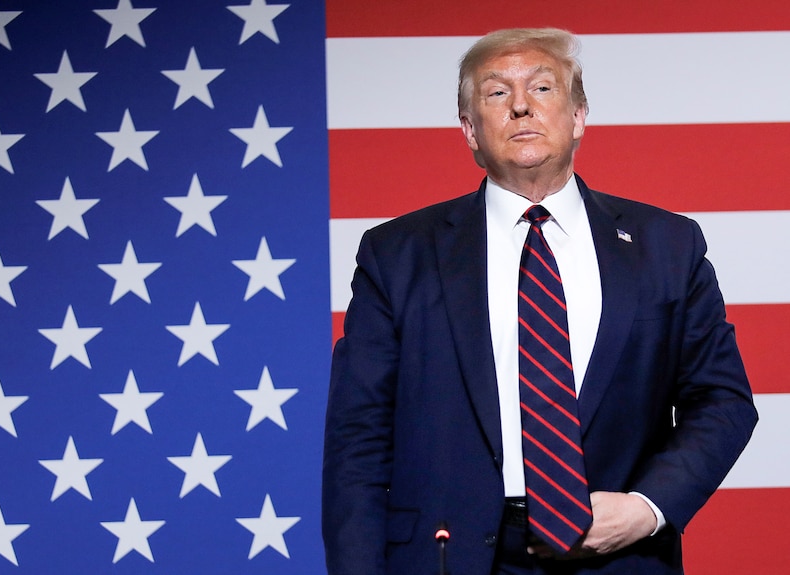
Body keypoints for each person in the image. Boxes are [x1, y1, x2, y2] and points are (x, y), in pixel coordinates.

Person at [322, 27, 757, 575]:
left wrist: (646, 509)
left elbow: (722, 401)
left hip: (620, 557)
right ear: (470, 130)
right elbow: (357, 438)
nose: (521, 105)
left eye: (543, 88)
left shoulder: (668, 245)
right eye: (497, 93)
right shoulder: (396, 254)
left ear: (578, 117)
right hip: (446, 556)